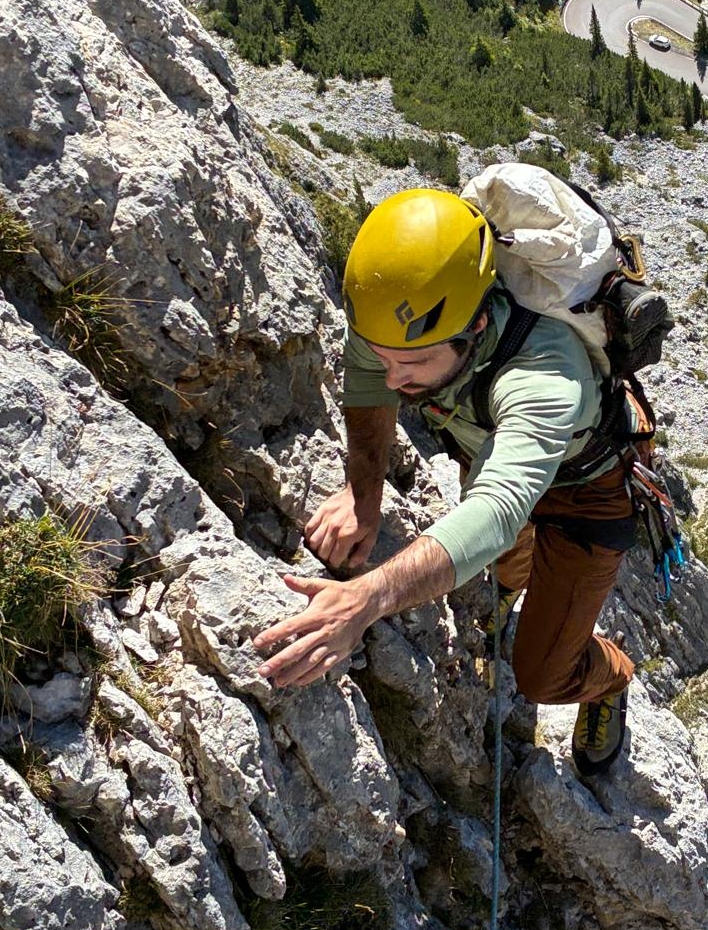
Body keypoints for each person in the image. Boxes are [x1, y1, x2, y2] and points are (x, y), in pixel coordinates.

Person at [253, 187, 649, 776]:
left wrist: (368, 599)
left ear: (478, 325)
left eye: (411, 366)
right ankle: (512, 593)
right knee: (505, 566)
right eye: (386, 358)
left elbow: (497, 510)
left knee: (541, 672)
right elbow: (368, 382)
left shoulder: (546, 374)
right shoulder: (401, 327)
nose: (396, 377)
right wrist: (365, 496)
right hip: (488, 449)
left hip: (583, 492)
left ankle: (610, 678)